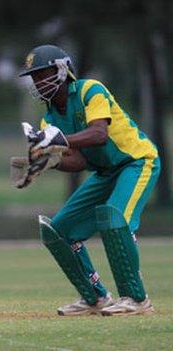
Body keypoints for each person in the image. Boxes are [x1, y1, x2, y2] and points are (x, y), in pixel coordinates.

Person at [12, 44, 159, 316]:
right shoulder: (49, 119)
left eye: (41, 74)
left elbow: (99, 134)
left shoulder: (90, 89)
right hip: (105, 172)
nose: (36, 82)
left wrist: (58, 141)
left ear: (61, 70)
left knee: (115, 218)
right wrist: (50, 161)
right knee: (59, 230)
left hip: (137, 162)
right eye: (33, 77)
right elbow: (78, 160)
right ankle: (95, 298)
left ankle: (136, 299)